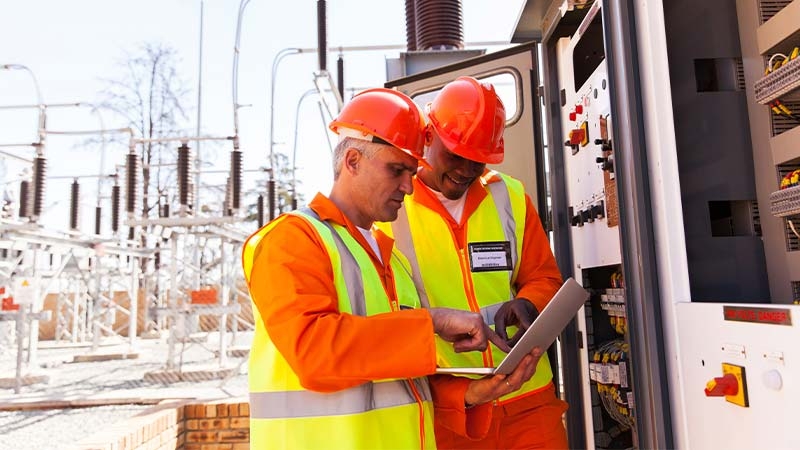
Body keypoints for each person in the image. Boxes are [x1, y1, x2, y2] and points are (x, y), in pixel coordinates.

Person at [241, 87, 542, 449]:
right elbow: (313, 353)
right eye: (397, 170)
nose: (409, 187)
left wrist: (470, 393)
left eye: (411, 171)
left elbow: (400, 379)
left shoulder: (390, 260)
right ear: (352, 161)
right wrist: (431, 323)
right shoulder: (292, 240)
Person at [383, 76, 569, 449]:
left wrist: (528, 302)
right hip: (451, 410)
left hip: (529, 401)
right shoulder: (388, 214)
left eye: (479, 159)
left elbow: (544, 276)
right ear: (428, 138)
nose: (468, 169)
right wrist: (458, 396)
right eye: (457, 155)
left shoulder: (509, 196)